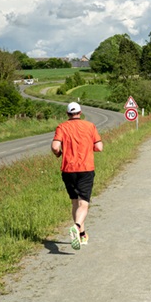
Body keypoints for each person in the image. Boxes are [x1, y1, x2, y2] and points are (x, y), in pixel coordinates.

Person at [51, 102, 103, 250]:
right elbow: (99, 147)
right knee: (83, 204)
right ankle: (77, 226)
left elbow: (55, 146)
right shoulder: (90, 126)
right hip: (86, 168)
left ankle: (82, 235)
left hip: (68, 169)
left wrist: (59, 154)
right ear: (80, 112)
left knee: (75, 202)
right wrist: (88, 148)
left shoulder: (62, 127)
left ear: (67, 114)